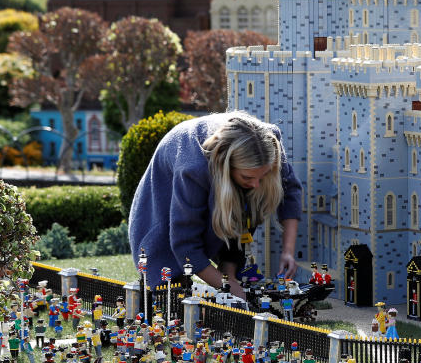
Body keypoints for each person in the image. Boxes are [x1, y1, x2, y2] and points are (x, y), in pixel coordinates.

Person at [128, 112, 303, 300]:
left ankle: (230, 267)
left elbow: (290, 191)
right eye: (248, 177)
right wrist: (229, 287)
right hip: (163, 202)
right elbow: (185, 244)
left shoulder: (266, 144)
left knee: (256, 194)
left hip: (218, 178)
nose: (256, 184)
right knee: (170, 291)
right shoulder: (194, 168)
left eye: (262, 176)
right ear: (227, 166)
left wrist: (288, 251)